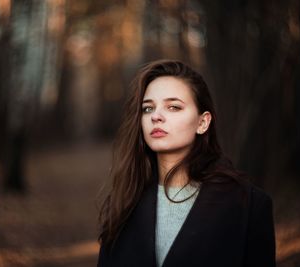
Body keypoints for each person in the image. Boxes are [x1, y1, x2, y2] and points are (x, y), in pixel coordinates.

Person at [97, 59, 276, 267]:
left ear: (202, 122)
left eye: (173, 107)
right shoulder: (124, 201)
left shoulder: (249, 206)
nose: (156, 116)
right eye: (147, 109)